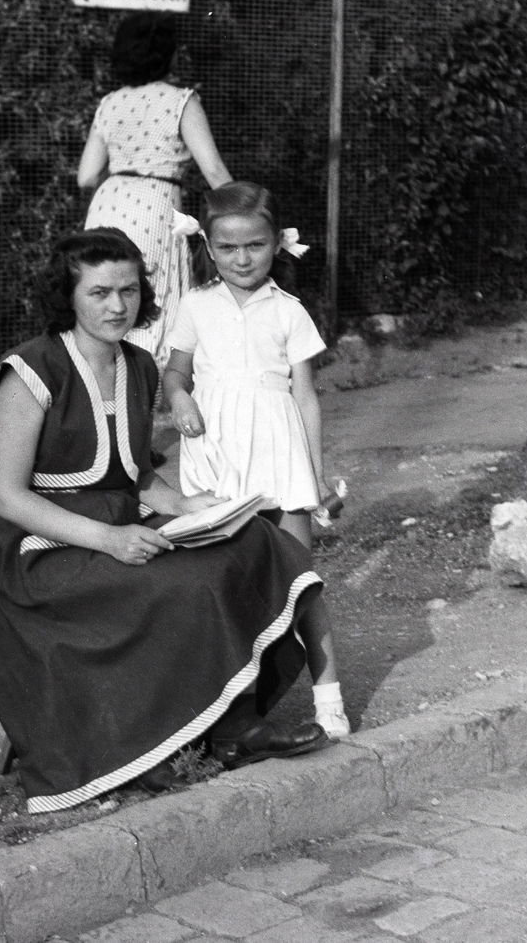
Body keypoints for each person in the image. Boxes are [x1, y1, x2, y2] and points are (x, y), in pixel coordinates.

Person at [0, 229, 329, 813]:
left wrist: (191, 506)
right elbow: (7, 496)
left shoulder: (139, 365)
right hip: (46, 549)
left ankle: (233, 724)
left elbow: (131, 475)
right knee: (184, 584)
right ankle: (152, 740)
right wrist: (108, 538)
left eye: (129, 290)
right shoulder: (31, 370)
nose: (118, 306)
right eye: (99, 293)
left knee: (252, 546)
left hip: (123, 529)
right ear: (68, 297)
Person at [162, 182, 351, 738]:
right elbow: (175, 373)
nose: (242, 259)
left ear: (276, 244)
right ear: (209, 248)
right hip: (216, 451)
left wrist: (314, 474)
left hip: (278, 449)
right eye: (227, 248)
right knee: (221, 578)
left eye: (255, 246)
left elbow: (306, 394)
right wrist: (179, 399)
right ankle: (223, 710)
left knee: (300, 578)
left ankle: (329, 699)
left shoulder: (289, 312)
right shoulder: (195, 304)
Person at [77, 12, 233, 372]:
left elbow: (86, 176)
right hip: (155, 204)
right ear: (168, 54)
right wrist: (249, 213)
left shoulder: (110, 103)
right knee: (149, 302)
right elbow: (214, 172)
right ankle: (140, 402)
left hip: (107, 205)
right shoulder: (181, 101)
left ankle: (103, 399)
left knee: (106, 298)